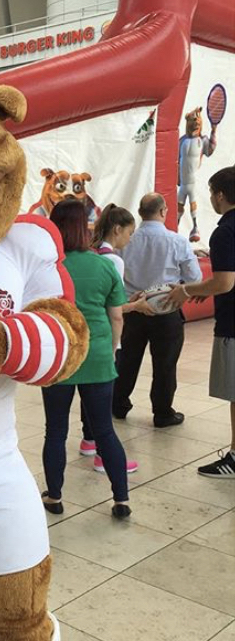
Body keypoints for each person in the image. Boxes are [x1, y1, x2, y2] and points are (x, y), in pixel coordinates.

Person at [41, 199, 132, 518]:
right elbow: (117, 317)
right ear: (86, 227)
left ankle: (54, 497)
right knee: (104, 430)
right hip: (97, 356)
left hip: (58, 358)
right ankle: (121, 499)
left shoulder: (48, 268)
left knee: (55, 431)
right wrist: (112, 349)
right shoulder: (104, 265)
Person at [166, 166, 235, 478]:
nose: (209, 199)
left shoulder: (225, 231)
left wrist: (187, 291)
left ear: (220, 195)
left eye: (210, 193)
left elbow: (223, 283)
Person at [113, 193, 202, 427]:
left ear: (141, 213)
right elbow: (195, 278)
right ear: (163, 211)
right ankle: (162, 413)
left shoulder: (126, 240)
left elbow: (114, 276)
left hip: (132, 308)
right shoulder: (179, 241)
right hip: (166, 311)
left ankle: (118, 405)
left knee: (127, 360)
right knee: (165, 364)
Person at [78, 204, 155, 470]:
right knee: (102, 397)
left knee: (86, 390)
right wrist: (136, 306)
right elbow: (115, 310)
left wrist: (127, 301)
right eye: (130, 233)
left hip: (84, 335)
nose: (130, 239)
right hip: (106, 337)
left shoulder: (88, 254)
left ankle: (88, 440)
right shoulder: (114, 260)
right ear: (117, 229)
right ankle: (104, 455)